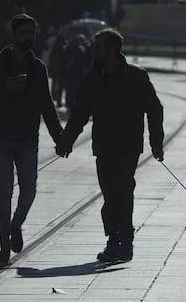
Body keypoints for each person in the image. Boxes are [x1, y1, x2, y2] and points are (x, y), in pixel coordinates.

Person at [56, 28, 164, 263]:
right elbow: (80, 112)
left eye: (100, 47)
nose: (96, 51)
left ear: (113, 49)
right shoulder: (93, 78)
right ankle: (113, 240)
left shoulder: (136, 76)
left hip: (128, 146)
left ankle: (124, 242)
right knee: (109, 195)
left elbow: (154, 108)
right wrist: (66, 141)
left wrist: (156, 142)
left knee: (123, 193)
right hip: (104, 147)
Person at [0, 14, 63, 266]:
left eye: (32, 33)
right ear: (14, 34)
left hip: (27, 138)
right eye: (24, 33)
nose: (29, 37)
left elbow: (47, 104)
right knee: (5, 191)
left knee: (29, 190)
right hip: (1, 136)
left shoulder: (38, 68)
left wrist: (60, 137)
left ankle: (16, 224)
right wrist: (5, 87)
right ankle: (4, 246)